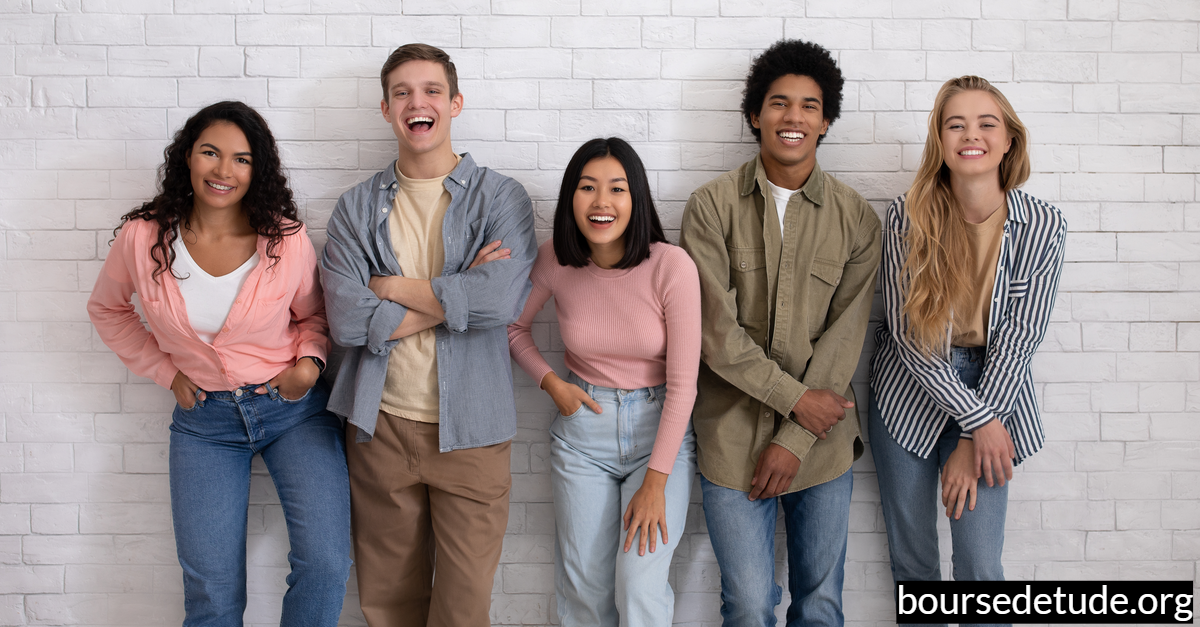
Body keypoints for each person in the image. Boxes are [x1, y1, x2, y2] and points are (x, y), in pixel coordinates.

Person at [87, 101, 351, 627]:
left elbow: (314, 317)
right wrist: (167, 373)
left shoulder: (284, 238)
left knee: (326, 561)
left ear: (258, 170)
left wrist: (308, 366)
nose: (223, 171)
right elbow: (107, 309)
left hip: (292, 412)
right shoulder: (144, 238)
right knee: (211, 587)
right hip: (203, 422)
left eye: (241, 159)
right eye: (210, 152)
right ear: (188, 157)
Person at [319, 43, 536, 627]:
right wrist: (456, 291)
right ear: (386, 109)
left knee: (463, 611)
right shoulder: (355, 208)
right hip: (380, 426)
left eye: (432, 90)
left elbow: (498, 300)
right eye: (402, 92)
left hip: (473, 431)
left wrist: (389, 287)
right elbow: (345, 320)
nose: (418, 102)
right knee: (388, 606)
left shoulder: (501, 197)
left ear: (456, 103)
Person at [679, 39, 881, 626]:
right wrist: (797, 401)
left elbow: (845, 339)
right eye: (778, 103)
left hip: (822, 447)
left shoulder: (857, 219)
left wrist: (794, 438)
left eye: (809, 106)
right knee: (746, 604)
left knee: (820, 603)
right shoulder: (711, 207)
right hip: (731, 439)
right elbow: (716, 335)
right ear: (754, 113)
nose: (793, 117)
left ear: (826, 121)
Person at [869, 75, 1066, 612]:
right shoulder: (906, 217)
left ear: (1009, 141)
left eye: (987, 123)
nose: (970, 134)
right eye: (955, 124)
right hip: (909, 394)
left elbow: (1021, 336)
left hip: (996, 391)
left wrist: (974, 432)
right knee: (916, 569)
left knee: (980, 569)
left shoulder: (1042, 226)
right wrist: (976, 423)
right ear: (939, 139)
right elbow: (912, 342)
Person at [508, 138, 701, 626]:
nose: (601, 202)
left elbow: (684, 385)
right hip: (581, 437)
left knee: (639, 583)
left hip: (659, 437)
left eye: (617, 189)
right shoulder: (556, 259)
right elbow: (512, 327)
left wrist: (656, 481)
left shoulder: (670, 266)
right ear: (571, 197)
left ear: (636, 198)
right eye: (587, 187)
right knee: (584, 589)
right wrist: (551, 382)